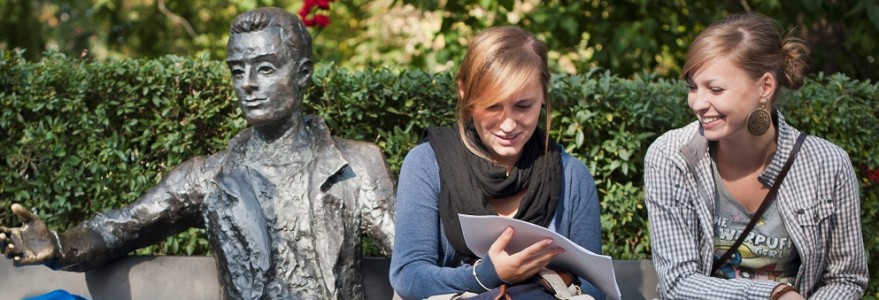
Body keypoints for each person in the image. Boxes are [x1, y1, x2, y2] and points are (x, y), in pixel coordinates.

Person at [0, 7, 396, 300]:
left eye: (265, 68)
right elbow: (117, 227)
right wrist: (58, 244)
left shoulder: (356, 166)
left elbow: (411, 257)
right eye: (237, 71)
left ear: (303, 73)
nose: (248, 84)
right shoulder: (207, 177)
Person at [644, 13, 867, 299]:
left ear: (765, 87)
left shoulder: (828, 164)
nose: (698, 103)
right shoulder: (670, 157)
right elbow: (678, 283)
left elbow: (846, 278)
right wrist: (774, 294)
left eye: (715, 89)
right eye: (693, 87)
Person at [389, 26, 604, 300]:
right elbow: (408, 276)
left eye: (523, 106)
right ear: (464, 91)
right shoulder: (427, 164)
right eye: (493, 106)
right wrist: (488, 275)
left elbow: (595, 287)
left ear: (543, 97)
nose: (509, 123)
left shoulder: (572, 176)